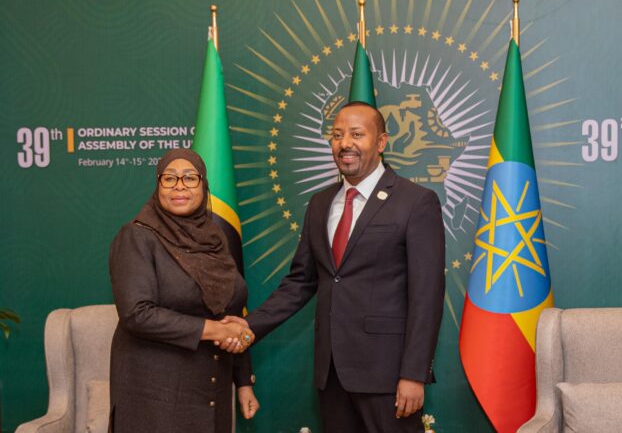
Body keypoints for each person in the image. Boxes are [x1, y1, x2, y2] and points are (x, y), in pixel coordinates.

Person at [230, 102, 446, 432]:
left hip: (388, 376)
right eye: (337, 135)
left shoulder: (416, 201)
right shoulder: (320, 204)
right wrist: (248, 327)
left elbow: (426, 296)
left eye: (357, 134)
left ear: (381, 142)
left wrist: (414, 374)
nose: (345, 143)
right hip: (331, 375)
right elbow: (300, 283)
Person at [108, 149, 259, 433]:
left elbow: (229, 313)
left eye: (190, 178)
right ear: (158, 185)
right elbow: (137, 314)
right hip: (155, 397)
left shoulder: (215, 239)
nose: (179, 186)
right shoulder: (137, 237)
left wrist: (243, 382)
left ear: (203, 186)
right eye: (169, 178)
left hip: (211, 391)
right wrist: (215, 330)